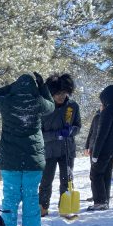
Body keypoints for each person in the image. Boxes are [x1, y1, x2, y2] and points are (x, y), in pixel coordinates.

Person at [0, 73, 54, 226]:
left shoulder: (6, 102)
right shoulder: (37, 102)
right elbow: (51, 106)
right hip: (33, 160)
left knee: (10, 197)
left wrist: (11, 87)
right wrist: (42, 88)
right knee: (31, 196)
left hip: (10, 160)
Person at [38, 74, 81, 217]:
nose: (61, 96)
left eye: (64, 93)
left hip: (67, 151)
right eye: (57, 93)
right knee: (46, 181)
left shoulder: (73, 106)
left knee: (67, 180)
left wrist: (71, 131)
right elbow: (39, 134)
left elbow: (77, 126)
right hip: (48, 151)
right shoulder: (44, 108)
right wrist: (57, 134)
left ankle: (65, 208)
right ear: (51, 92)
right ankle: (42, 208)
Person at [88, 85, 113, 211]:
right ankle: (105, 201)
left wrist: (95, 154)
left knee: (96, 174)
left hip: (104, 150)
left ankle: (100, 202)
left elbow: (102, 134)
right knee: (106, 175)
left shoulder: (109, 110)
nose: (102, 103)